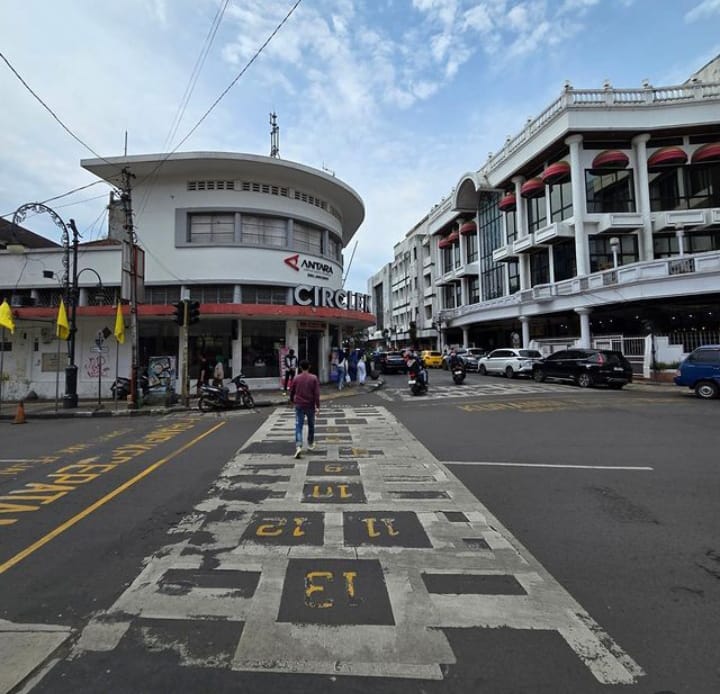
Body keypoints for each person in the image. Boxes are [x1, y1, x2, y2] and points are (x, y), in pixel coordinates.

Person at [289, 359, 320, 458]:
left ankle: (298, 446)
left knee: (299, 426)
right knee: (311, 425)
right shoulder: (313, 378)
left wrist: (292, 401)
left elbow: (292, 391)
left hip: (299, 405)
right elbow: (316, 394)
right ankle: (310, 443)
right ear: (309, 367)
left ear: (300, 367)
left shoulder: (296, 378)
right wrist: (317, 406)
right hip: (310, 405)